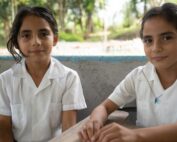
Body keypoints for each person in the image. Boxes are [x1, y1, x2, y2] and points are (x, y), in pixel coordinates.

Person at [79, 2, 177, 142]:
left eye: (166, 38)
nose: (156, 48)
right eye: (148, 40)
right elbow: (105, 107)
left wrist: (135, 135)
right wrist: (94, 121)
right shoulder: (139, 76)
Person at [0, 6, 87, 142]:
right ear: (17, 42)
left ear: (55, 39)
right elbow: (3, 127)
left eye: (43, 34)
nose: (36, 42)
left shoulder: (69, 78)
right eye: (26, 35)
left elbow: (68, 130)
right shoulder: (5, 80)